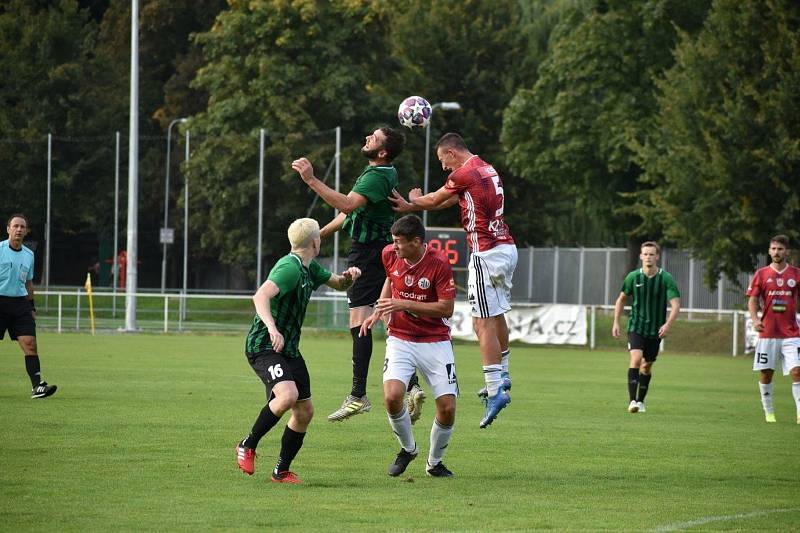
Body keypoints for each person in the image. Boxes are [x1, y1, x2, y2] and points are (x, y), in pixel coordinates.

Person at [292, 126, 426, 424]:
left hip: (367, 253)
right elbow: (351, 213)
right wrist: (318, 235)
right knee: (389, 317)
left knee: (359, 320)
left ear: (382, 152)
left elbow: (347, 204)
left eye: (374, 138)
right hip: (382, 250)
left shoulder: (376, 175)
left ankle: (358, 396)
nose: (367, 136)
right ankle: (413, 386)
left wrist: (311, 179)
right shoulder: (383, 173)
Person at [390, 133, 516, 428]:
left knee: (480, 322)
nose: (444, 167)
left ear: (451, 152)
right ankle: (503, 374)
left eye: (442, 160)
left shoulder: (464, 171)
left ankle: (495, 390)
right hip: (506, 247)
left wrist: (413, 203)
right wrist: (419, 202)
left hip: (486, 252)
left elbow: (436, 198)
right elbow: (448, 199)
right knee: (495, 315)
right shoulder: (485, 167)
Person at [235, 218, 361, 483]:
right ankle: (247, 444)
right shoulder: (289, 268)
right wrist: (272, 328)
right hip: (264, 345)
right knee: (287, 395)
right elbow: (260, 296)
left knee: (304, 412)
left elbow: (339, 283)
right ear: (315, 242)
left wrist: (350, 277)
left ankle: (280, 471)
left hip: (289, 349)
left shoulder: (309, 267)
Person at [360, 215, 458, 477]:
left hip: (435, 340)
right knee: (392, 397)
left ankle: (434, 463)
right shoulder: (390, 254)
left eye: (399, 242)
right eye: (392, 242)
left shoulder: (439, 264)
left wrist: (403, 304)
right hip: (400, 337)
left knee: (447, 407)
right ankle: (408, 449)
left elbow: (446, 308)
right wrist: (379, 309)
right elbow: (391, 279)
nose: (394, 247)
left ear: (416, 242)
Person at [612, 241, 680, 413]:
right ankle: (632, 401)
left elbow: (675, 304)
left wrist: (668, 324)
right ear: (641, 256)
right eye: (645, 254)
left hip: (655, 330)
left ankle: (641, 401)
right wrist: (616, 322)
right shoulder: (633, 277)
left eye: (652, 254)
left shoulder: (666, 278)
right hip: (636, 326)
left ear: (657, 256)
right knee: (636, 359)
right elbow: (621, 299)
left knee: (646, 366)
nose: (648, 257)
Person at [0, 214, 57, 399]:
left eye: (22, 227)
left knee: (30, 344)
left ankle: (37, 386)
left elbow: (28, 283)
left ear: (26, 231)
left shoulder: (29, 254)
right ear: (8, 229)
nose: (19, 229)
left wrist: (31, 307)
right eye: (15, 226)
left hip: (20, 305)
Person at [746, 234, 800, 423]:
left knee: (797, 371)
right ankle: (769, 412)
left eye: (780, 249)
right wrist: (754, 319)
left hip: (791, 333)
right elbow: (752, 299)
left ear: (787, 251)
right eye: (774, 249)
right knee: (766, 374)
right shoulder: (761, 274)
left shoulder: (796, 274)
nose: (776, 252)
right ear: (769, 251)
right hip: (768, 333)